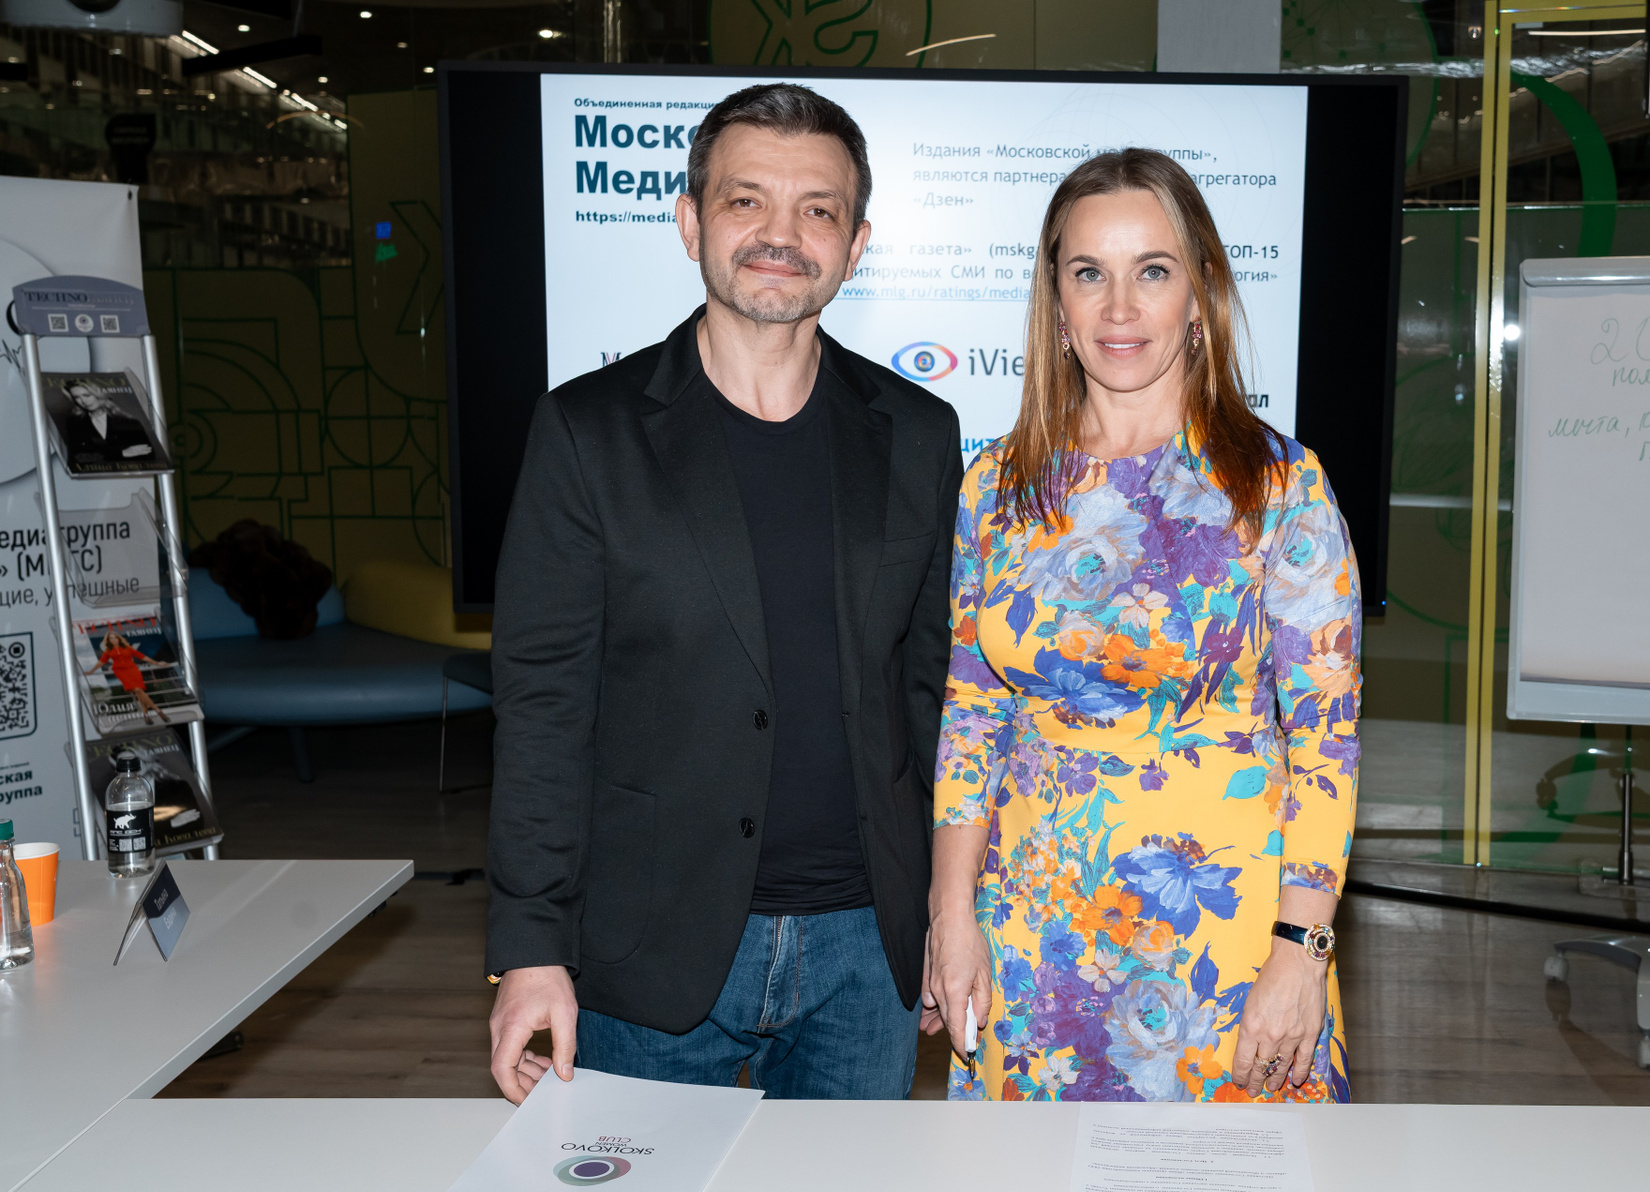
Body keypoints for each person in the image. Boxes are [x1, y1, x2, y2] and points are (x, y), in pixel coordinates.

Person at [485, 83, 962, 1104]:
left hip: (864, 951)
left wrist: (947, 914)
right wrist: (531, 946)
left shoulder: (921, 433)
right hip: (650, 940)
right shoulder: (587, 432)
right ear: (690, 221)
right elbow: (543, 709)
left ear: (856, 244)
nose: (781, 234)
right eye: (747, 200)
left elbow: (936, 697)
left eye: (817, 209)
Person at [921, 148, 1362, 1103]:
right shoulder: (996, 487)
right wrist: (950, 914)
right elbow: (972, 715)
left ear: (1199, 294)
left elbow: (1325, 743)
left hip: (1223, 944)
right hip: (1030, 934)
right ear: (1057, 303)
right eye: (1090, 273)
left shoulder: (1279, 486)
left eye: (1151, 271)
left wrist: (1302, 949)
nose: (1119, 308)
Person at [88, 630, 173, 724]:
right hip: (121, 672)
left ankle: (146, 716)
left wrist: (156, 663)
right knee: (137, 690)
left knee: (139, 692)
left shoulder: (127, 647)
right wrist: (91, 671)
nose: (114, 640)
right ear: (109, 641)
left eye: (115, 638)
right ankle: (158, 711)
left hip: (133, 670)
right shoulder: (108, 651)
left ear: (118, 638)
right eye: (111, 638)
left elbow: (142, 656)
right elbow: (101, 662)